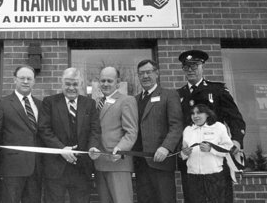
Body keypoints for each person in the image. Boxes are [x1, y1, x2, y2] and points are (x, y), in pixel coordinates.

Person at [177, 50, 246, 202]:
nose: (190, 70)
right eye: (186, 67)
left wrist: (236, 141)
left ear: (202, 66)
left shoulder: (217, 90)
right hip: (193, 161)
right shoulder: (178, 95)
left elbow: (235, 119)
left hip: (216, 159)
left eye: (194, 65)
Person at [38, 67, 101, 203]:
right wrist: (61, 149)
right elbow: (44, 129)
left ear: (81, 85)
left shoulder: (89, 104)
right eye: (68, 84)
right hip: (55, 168)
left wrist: (93, 147)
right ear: (62, 84)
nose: (71, 87)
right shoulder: (49, 102)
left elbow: (95, 130)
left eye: (75, 84)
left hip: (81, 168)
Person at [0, 65, 43, 203]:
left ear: (34, 81)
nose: (26, 81)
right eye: (22, 78)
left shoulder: (40, 105)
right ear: (15, 80)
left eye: (29, 78)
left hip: (37, 168)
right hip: (12, 168)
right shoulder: (2, 103)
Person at [132, 60, 183, 203]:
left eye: (149, 72)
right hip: (140, 162)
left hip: (161, 161)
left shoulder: (169, 95)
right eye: (141, 73)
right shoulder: (134, 100)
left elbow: (176, 125)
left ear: (157, 73)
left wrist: (166, 147)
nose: (145, 76)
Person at [93, 66, 138, 203]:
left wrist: (121, 149)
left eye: (109, 81)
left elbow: (131, 131)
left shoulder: (126, 100)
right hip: (100, 163)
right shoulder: (96, 103)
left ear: (117, 83)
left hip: (118, 162)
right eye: (102, 81)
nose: (105, 84)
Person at [181, 104, 234, 203]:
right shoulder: (188, 130)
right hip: (193, 176)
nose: (195, 116)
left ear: (207, 114)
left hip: (214, 175)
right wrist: (185, 153)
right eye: (193, 113)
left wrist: (211, 149)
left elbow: (228, 149)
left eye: (199, 112)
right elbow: (182, 154)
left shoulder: (218, 127)